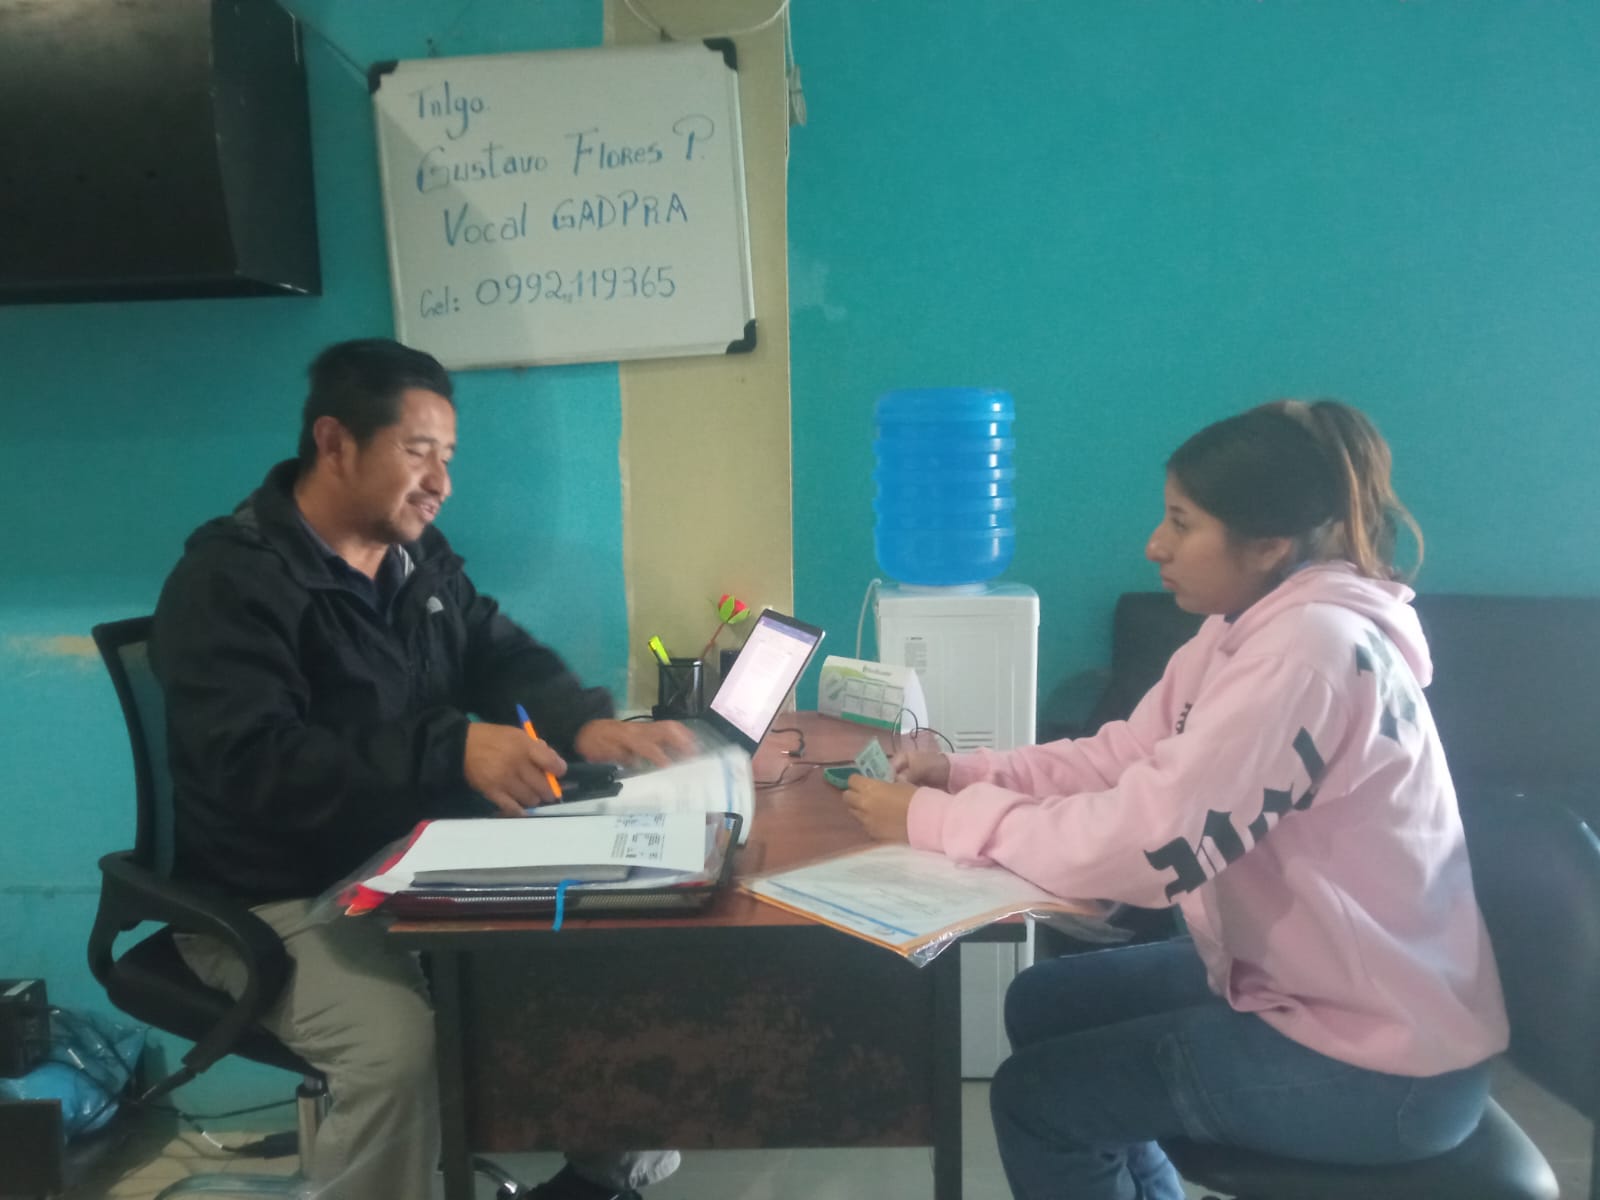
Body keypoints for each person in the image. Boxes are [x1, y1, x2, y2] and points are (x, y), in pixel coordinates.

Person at [842, 399, 1509, 1200]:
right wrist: (960, 775)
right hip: (1309, 984)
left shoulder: (1307, 653)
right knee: (1045, 1001)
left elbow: (1149, 845)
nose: (1155, 544)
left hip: (1386, 1063)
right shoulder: (1242, 628)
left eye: (1182, 524)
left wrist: (933, 822)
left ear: (1268, 544)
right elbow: (1124, 756)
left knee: (1038, 1101)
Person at [151, 338, 697, 1200]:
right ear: (335, 442)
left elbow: (498, 652)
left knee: (610, 950)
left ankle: (603, 1182)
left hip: (414, 859)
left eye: (448, 455)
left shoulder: (415, 559)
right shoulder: (230, 583)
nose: (440, 480)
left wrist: (585, 722)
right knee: (397, 1049)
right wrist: (450, 749)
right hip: (275, 893)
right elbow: (254, 765)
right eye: (417, 452)